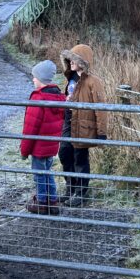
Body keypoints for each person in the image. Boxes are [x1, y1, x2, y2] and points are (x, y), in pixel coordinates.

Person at [58, 43, 107, 207]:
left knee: (80, 158)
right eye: (70, 59)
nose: (70, 62)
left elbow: (100, 108)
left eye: (74, 59)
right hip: (69, 120)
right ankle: (70, 188)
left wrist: (101, 132)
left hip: (84, 124)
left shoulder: (93, 82)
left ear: (83, 61)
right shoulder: (71, 78)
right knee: (64, 153)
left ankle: (80, 193)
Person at [19, 60, 65, 215]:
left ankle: (41, 202)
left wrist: (24, 151)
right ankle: (52, 201)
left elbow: (30, 129)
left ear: (42, 79)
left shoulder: (38, 99)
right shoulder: (58, 97)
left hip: (39, 147)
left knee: (39, 174)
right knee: (48, 171)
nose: (33, 79)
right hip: (51, 146)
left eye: (35, 77)